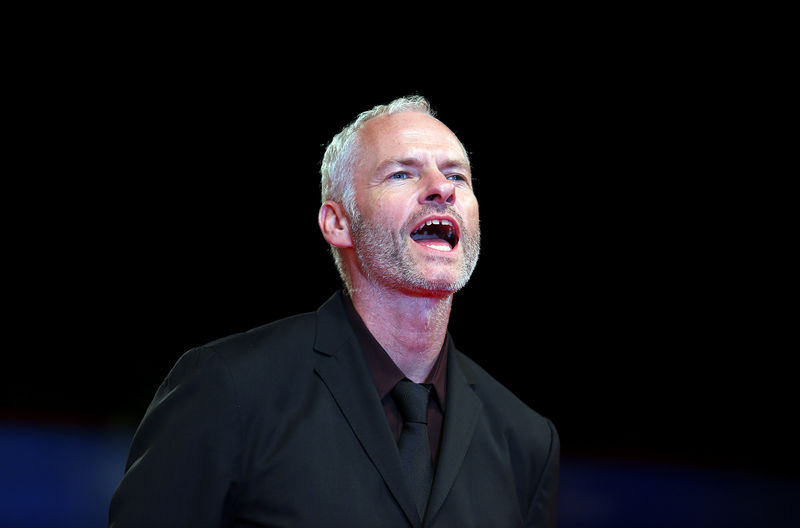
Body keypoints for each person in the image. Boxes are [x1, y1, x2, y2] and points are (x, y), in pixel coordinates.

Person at [108, 95, 559, 527]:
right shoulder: (228, 388)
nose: (442, 189)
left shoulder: (526, 440)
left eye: (457, 176)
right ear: (337, 222)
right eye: (402, 174)